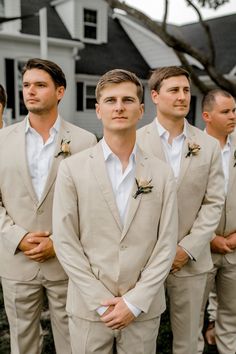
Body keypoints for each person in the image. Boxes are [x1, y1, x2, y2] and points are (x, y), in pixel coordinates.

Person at [53, 68, 178, 354]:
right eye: (110, 101)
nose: (119, 107)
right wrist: (100, 300)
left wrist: (134, 301)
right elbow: (64, 240)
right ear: (98, 110)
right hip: (88, 308)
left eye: (127, 100)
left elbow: (166, 242)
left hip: (142, 309)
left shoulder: (161, 173)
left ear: (142, 109)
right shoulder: (72, 169)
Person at [0, 58, 97, 354]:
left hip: (66, 260)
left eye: (40, 85)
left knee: (72, 339)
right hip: (17, 260)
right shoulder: (1, 140)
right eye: (26, 85)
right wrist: (17, 236)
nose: (30, 91)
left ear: (60, 91)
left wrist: (58, 241)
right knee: (22, 341)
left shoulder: (84, 141)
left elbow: (91, 205)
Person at [137, 66, 225, 354]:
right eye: (174, 90)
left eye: (186, 90)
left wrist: (186, 249)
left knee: (189, 341)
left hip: (191, 259)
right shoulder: (134, 141)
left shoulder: (209, 146)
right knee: (139, 338)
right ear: (155, 95)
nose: (182, 96)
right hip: (142, 260)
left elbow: (213, 203)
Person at [198, 88, 236, 354]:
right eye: (226, 112)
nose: (233, 116)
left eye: (234, 110)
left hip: (235, 247)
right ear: (207, 116)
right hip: (200, 249)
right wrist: (208, 237)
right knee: (192, 315)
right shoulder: (193, 148)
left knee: (231, 314)